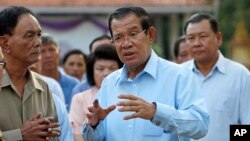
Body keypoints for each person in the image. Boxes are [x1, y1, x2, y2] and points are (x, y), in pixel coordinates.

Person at [82, 6, 209, 141]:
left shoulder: (179, 76)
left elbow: (201, 125)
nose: (126, 44)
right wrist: (95, 125)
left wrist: (156, 112)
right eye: (118, 37)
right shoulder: (109, 82)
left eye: (133, 34)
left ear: (150, 35)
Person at [182, 13, 250, 141]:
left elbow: (247, 125)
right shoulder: (179, 75)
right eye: (191, 38)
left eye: (203, 37)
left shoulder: (240, 75)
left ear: (218, 38)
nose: (196, 43)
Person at [0, 6, 60, 140]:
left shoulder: (43, 87)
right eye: (29, 36)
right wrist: (20, 135)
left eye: (39, 35)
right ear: (5, 43)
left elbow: (54, 134)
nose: (38, 43)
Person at [69, 44, 123, 141]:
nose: (106, 73)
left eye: (112, 68)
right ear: (91, 71)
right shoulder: (79, 98)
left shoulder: (127, 95)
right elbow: (77, 136)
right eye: (100, 68)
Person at [40, 33, 80, 111]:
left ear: (59, 52)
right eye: (42, 51)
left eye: (51, 50)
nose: (48, 55)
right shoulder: (31, 83)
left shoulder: (74, 84)